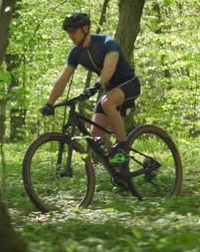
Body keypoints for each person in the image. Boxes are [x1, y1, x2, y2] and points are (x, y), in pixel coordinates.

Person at [40, 12, 141, 171]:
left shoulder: (107, 43)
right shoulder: (76, 52)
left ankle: (122, 150)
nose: (70, 36)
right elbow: (63, 79)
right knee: (95, 133)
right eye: (68, 32)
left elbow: (110, 66)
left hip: (128, 84)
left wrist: (97, 85)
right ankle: (119, 170)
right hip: (108, 89)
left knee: (107, 103)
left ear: (85, 28)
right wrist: (50, 103)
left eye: (73, 31)